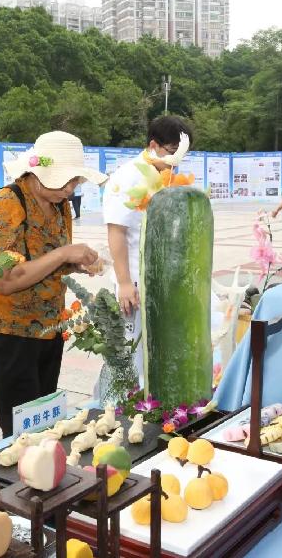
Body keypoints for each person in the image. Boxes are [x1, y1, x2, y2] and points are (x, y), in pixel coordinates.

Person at [0, 131, 107, 437]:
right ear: (38, 172)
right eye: (67, 181)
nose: (72, 189)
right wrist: (63, 253)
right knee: (22, 428)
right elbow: (4, 280)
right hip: (11, 331)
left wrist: (76, 262)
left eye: (76, 181)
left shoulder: (60, 205)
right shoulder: (6, 205)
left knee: (44, 420)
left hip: (49, 326)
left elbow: (47, 261)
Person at [102, 116, 191, 387]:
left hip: (159, 278)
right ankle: (120, 409)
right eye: (173, 151)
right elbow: (116, 231)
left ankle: (150, 403)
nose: (177, 160)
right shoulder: (128, 177)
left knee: (155, 350)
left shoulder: (165, 177)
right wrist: (125, 283)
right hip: (135, 281)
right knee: (130, 354)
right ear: (154, 145)